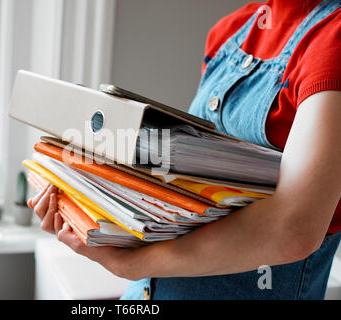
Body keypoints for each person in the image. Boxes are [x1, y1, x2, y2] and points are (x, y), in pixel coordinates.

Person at [27, 0, 341, 299]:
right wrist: (86, 213)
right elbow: (190, 191)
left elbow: (293, 227)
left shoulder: (333, 36)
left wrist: (130, 264)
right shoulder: (231, 31)